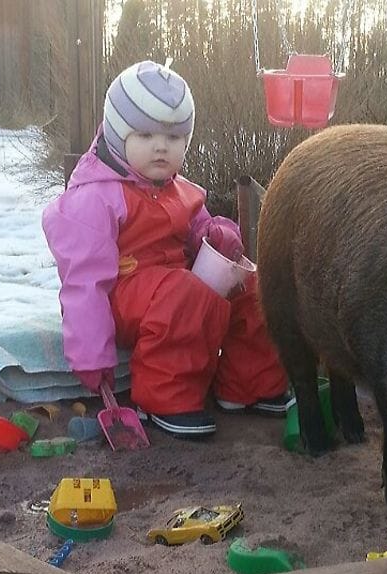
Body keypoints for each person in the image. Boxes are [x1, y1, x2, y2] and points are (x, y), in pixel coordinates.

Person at [42, 60, 290, 438]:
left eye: (174, 139)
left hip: (176, 291)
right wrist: (92, 356)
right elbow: (84, 284)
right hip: (123, 298)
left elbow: (199, 230)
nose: (161, 147)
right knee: (183, 291)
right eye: (145, 135)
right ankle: (163, 398)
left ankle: (248, 385)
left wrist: (218, 235)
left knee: (251, 285)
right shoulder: (94, 199)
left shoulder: (181, 190)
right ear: (116, 134)